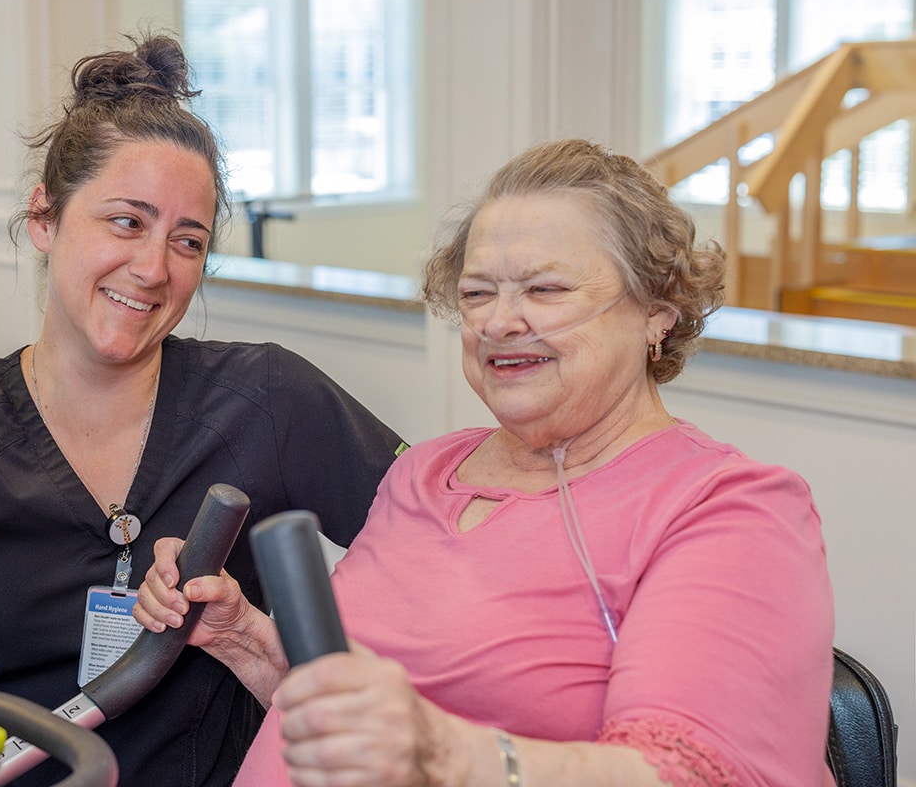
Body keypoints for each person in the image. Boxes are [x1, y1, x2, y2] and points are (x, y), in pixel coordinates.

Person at [0, 34, 404, 786]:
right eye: (126, 222)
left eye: (188, 240)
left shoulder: (267, 398)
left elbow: (433, 533)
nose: (153, 268)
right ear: (45, 218)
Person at [135, 138, 836, 786]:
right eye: (477, 294)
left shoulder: (727, 509)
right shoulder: (426, 473)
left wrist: (445, 753)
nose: (499, 322)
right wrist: (247, 641)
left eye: (546, 290)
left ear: (659, 310)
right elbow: (357, 717)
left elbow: (691, 772)